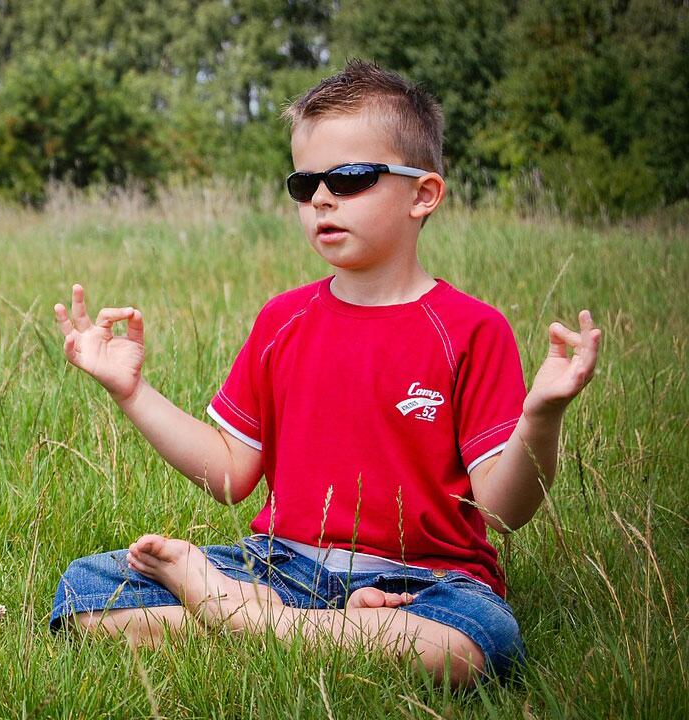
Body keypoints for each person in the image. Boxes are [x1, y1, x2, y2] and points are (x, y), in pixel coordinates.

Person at [47, 59, 602, 688]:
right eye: (304, 182)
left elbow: (501, 512)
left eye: (352, 177)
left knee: (475, 646)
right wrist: (132, 392)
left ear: (424, 194)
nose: (321, 198)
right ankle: (297, 626)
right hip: (282, 566)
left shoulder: (471, 330)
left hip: (425, 583)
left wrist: (542, 415)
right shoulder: (283, 320)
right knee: (87, 591)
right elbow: (233, 474)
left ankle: (244, 621)